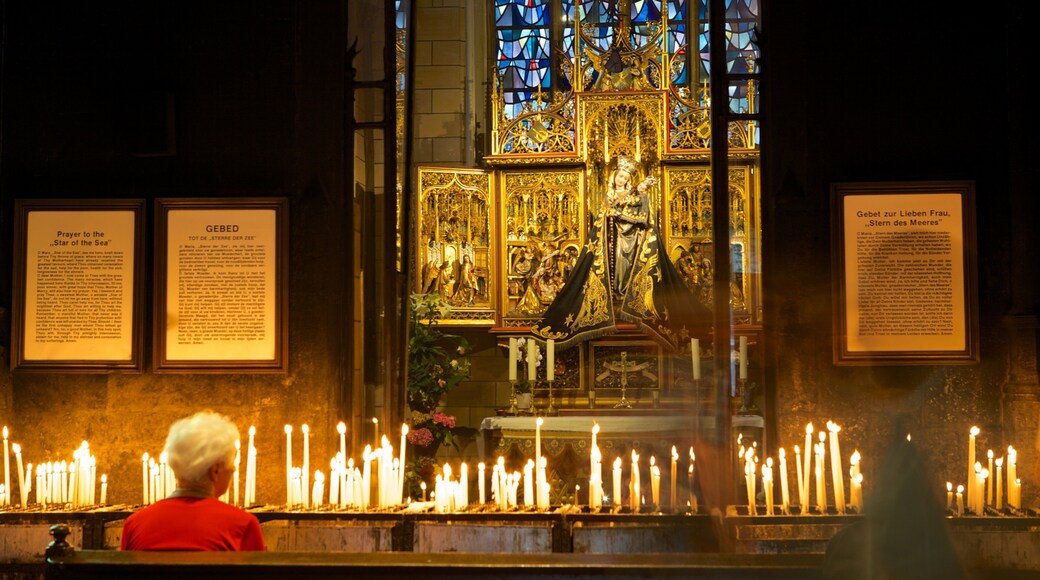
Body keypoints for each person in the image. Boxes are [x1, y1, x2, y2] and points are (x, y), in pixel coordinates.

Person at [531, 154, 711, 350]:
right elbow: (603, 218)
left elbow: (642, 217)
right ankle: (616, 295)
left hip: (632, 241)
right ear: (614, 175)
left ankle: (626, 295)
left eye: (626, 178)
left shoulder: (637, 195)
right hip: (612, 241)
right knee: (615, 264)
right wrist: (613, 213)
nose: (622, 180)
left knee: (627, 265)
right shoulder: (609, 196)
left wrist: (633, 199)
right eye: (620, 176)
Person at [121, 411, 266, 551]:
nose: (233, 470)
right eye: (231, 464)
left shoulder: (134, 524)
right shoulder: (243, 525)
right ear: (215, 471)